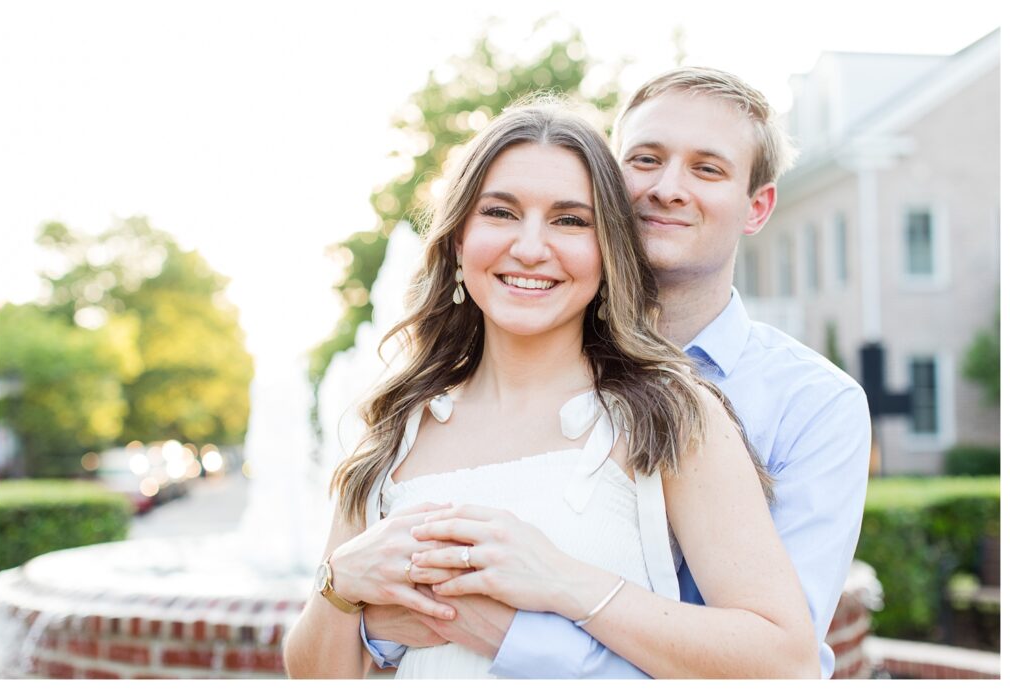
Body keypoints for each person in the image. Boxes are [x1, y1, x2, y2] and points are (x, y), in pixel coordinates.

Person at [361, 68, 871, 679]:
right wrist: (365, 613)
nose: (667, 188)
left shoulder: (812, 405)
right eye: (645, 159)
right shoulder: (462, 400)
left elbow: (777, 663)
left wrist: (513, 630)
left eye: (707, 169)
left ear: (757, 206)